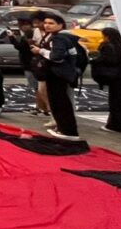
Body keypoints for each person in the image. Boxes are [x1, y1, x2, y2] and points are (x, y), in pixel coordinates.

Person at [30, 12, 82, 141]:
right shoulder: (64, 37)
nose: (47, 25)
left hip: (58, 75)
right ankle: (64, 129)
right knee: (61, 102)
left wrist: (40, 51)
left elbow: (57, 57)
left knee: (60, 103)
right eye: (46, 23)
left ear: (60, 25)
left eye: (51, 23)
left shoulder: (59, 38)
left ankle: (67, 131)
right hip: (61, 74)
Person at [92, 27, 121, 133]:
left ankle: (116, 125)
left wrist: (94, 60)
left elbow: (109, 60)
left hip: (117, 77)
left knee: (116, 101)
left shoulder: (108, 46)